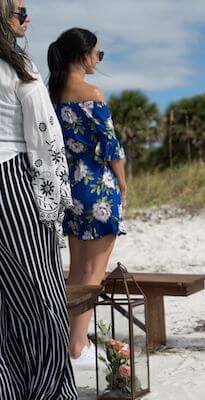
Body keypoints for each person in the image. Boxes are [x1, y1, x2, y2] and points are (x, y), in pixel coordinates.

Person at [0, 0, 77, 398]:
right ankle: (50, 392)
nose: (27, 19)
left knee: (7, 300)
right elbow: (45, 136)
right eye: (19, 11)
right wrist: (53, 202)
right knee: (42, 294)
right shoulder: (18, 66)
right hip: (13, 179)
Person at [48, 27, 126, 367]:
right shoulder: (92, 93)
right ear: (83, 55)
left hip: (72, 188)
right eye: (98, 53)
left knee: (77, 270)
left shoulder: (53, 94)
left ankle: (69, 339)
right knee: (95, 270)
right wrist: (122, 185)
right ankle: (78, 346)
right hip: (98, 186)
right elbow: (112, 147)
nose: (99, 59)